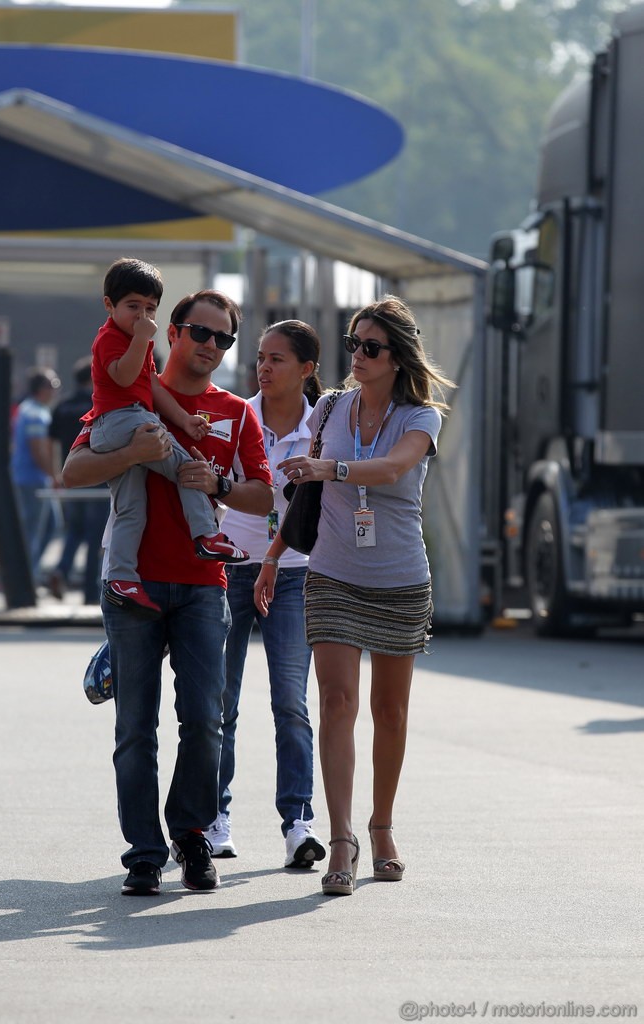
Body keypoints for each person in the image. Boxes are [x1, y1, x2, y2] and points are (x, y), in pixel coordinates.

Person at [62, 288, 273, 896]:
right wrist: (133, 451)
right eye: (200, 333)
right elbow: (73, 471)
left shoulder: (235, 410)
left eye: (223, 338)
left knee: (206, 720)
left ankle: (190, 835)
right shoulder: (129, 390)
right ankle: (144, 854)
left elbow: (263, 495)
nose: (210, 346)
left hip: (205, 586)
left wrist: (222, 485)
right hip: (133, 585)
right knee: (135, 729)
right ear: (170, 331)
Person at [254, 294, 454, 897]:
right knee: (337, 704)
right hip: (332, 573)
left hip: (399, 579)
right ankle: (342, 836)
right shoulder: (331, 409)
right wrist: (270, 560)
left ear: (397, 357)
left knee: (390, 714)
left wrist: (332, 471)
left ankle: (382, 825)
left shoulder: (421, 417)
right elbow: (301, 501)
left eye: (372, 347)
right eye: (354, 345)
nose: (359, 356)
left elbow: (393, 468)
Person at [208, 320, 326, 869]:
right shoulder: (236, 414)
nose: (264, 366)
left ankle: (298, 823)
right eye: (260, 357)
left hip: (296, 572)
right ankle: (214, 818)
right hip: (229, 567)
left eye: (277, 358)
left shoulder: (323, 425)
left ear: (307, 369)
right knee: (219, 704)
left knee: (290, 702)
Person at [83, 257, 248, 619]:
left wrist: (184, 420)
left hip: (126, 422)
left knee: (131, 509)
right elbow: (126, 380)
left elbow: (151, 386)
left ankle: (121, 578)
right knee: (187, 467)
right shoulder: (113, 338)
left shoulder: (237, 410)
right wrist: (142, 339)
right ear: (109, 305)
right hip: (124, 421)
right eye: (133, 307)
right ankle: (206, 535)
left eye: (150, 309)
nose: (142, 317)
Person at [48, 356, 109, 604]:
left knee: (74, 530)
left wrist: (56, 474)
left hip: (70, 476)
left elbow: (50, 441)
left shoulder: (62, 405)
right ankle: (89, 593)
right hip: (96, 476)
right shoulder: (98, 404)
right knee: (96, 537)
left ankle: (61, 570)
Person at [10, 366, 61, 580]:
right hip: (33, 482)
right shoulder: (36, 414)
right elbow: (38, 449)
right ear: (42, 388)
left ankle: (30, 573)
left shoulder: (27, 409)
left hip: (33, 480)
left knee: (51, 526)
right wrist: (53, 476)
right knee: (33, 532)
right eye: (54, 385)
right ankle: (26, 578)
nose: (56, 391)